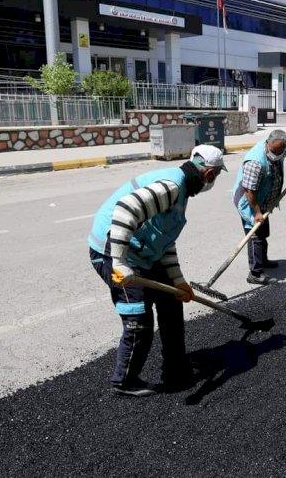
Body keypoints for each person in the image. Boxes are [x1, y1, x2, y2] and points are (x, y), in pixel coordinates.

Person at [88, 145, 227, 397]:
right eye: (215, 176)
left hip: (143, 253)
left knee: (172, 304)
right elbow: (126, 209)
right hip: (113, 250)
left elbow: (163, 239)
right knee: (138, 320)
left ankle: (175, 370)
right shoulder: (172, 187)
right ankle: (124, 382)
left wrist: (178, 280)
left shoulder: (181, 191)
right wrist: (119, 262)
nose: (213, 181)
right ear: (208, 175)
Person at [233, 130, 286, 285]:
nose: (277, 153)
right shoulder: (255, 163)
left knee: (263, 232)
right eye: (274, 151)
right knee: (255, 236)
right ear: (268, 144)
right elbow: (249, 191)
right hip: (249, 202)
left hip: (264, 200)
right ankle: (255, 273)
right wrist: (257, 212)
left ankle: (263, 260)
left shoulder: (279, 147)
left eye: (279, 151)